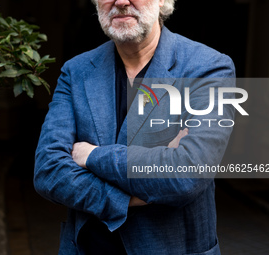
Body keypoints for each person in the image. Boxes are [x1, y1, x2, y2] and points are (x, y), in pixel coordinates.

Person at [34, 0, 236, 254]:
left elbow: (185, 174)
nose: (120, 2)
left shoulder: (209, 69)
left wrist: (92, 155)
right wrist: (128, 199)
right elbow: (48, 171)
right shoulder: (76, 71)